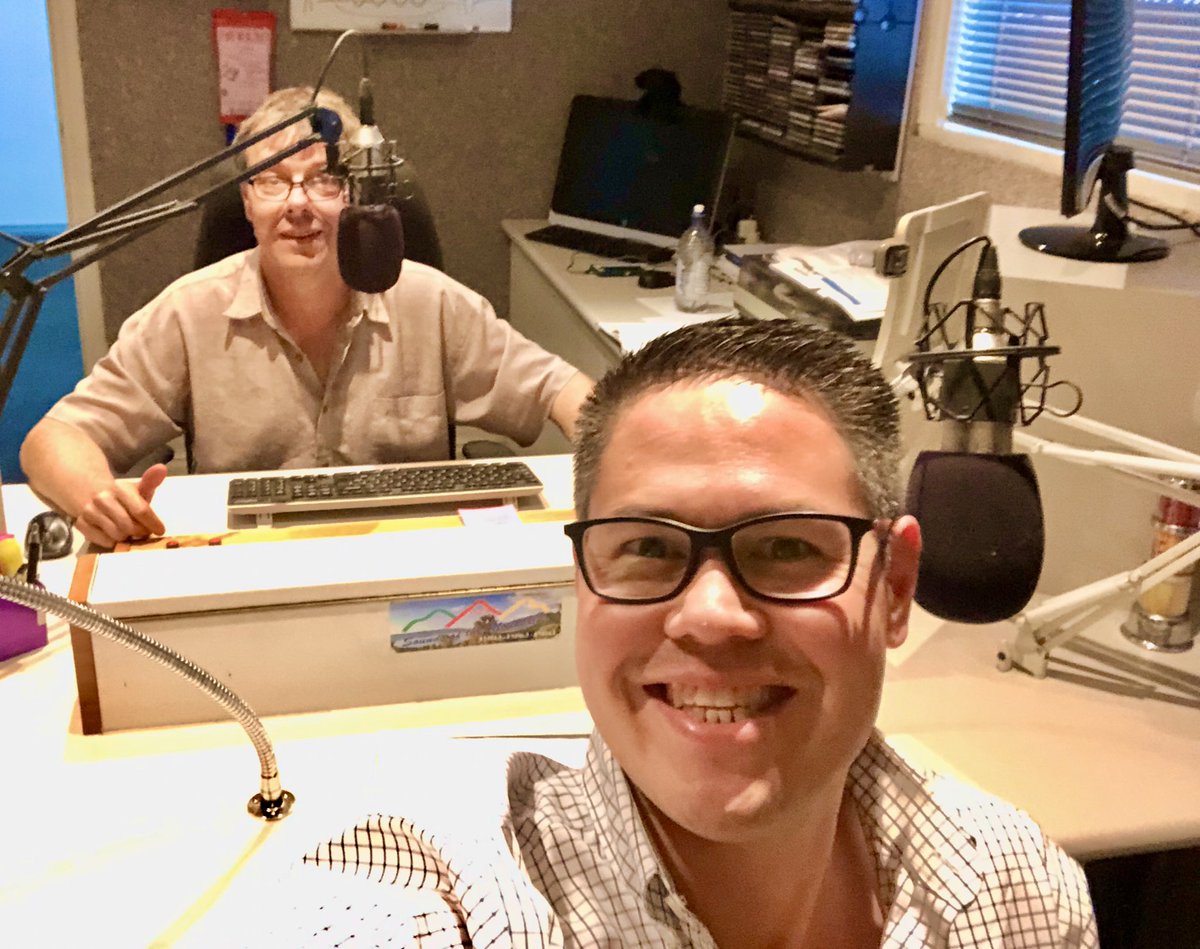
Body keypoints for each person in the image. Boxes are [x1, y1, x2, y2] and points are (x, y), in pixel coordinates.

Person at [269, 316, 1097, 947]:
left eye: (786, 547)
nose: (710, 615)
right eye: (647, 548)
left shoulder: (1020, 892)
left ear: (896, 588)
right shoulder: (442, 886)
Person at [19, 86, 592, 549]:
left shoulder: (430, 301)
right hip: (250, 564)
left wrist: (615, 471)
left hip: (406, 560)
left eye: (322, 180)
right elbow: (53, 439)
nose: (298, 204)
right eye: (272, 181)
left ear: (358, 193)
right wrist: (97, 498)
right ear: (247, 201)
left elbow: (569, 393)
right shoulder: (188, 311)